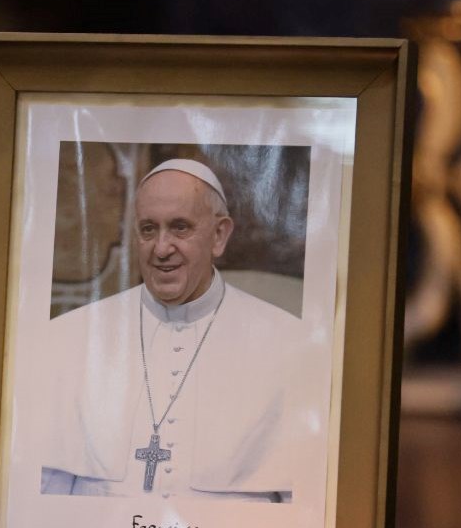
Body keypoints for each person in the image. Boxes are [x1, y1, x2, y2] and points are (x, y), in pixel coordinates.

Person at [39, 159, 301, 502]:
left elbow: (301, 512)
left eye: (180, 228)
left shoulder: (289, 344)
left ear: (219, 235)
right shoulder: (71, 337)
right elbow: (45, 497)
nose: (161, 249)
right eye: (149, 229)